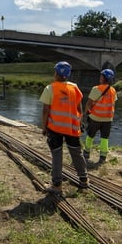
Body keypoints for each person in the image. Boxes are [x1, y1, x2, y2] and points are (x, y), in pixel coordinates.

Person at [39, 61, 89, 195]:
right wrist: (79, 122)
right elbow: (80, 108)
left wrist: (44, 127)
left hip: (55, 129)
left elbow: (45, 111)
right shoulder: (74, 88)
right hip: (72, 128)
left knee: (57, 155)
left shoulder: (50, 88)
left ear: (56, 73)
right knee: (77, 153)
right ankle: (84, 180)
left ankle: (57, 185)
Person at [82, 68, 117, 166]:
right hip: (108, 118)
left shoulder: (96, 89)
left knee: (90, 135)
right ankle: (102, 157)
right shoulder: (113, 90)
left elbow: (89, 103)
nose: (100, 77)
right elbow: (113, 102)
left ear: (103, 78)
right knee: (104, 138)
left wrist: (85, 114)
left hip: (96, 117)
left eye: (101, 76)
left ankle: (86, 153)